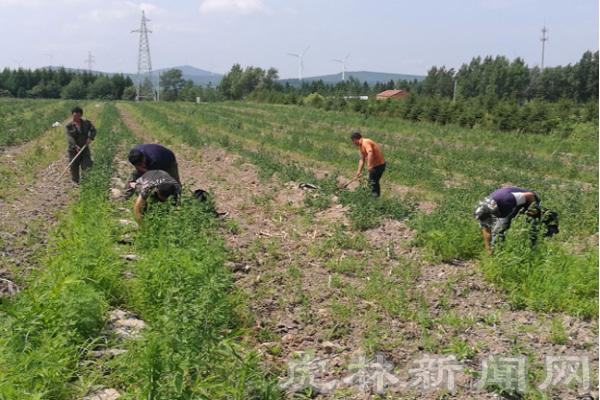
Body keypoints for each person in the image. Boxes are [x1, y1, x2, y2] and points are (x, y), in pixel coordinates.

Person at [473, 186, 558, 255]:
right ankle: (496, 253)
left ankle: (534, 249)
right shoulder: (483, 212)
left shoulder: (505, 200)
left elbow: (529, 195)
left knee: (532, 228)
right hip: (510, 205)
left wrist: (533, 209)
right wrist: (488, 249)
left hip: (529, 200)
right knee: (498, 230)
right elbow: (486, 231)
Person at [65, 106, 96, 184]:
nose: (76, 117)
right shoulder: (69, 126)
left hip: (84, 149)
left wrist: (90, 138)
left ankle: (86, 183)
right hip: (73, 150)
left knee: (87, 165)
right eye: (74, 116)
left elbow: (93, 130)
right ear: (72, 115)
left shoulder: (86, 123)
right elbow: (70, 137)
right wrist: (75, 146)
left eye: (78, 116)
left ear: (81, 115)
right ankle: (75, 183)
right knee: (74, 167)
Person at [350, 132, 386, 196]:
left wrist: (370, 165)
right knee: (373, 182)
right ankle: (374, 197)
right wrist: (359, 171)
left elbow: (370, 152)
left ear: (355, 139)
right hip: (375, 165)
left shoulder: (365, 142)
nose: (353, 143)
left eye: (353, 141)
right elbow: (361, 159)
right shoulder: (361, 147)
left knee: (372, 182)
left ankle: (374, 198)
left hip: (379, 165)